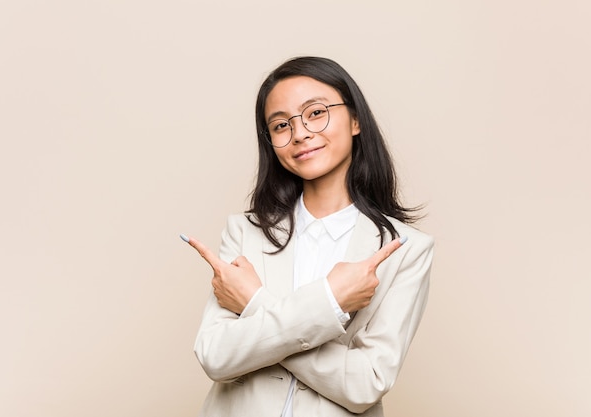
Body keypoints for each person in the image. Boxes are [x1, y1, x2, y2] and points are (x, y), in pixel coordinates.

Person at [184, 56, 434, 417]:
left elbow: (367, 383)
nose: (299, 132)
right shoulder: (245, 232)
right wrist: (329, 302)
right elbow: (215, 355)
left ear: (355, 119)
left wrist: (255, 303)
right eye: (281, 124)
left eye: (316, 113)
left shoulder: (405, 250)